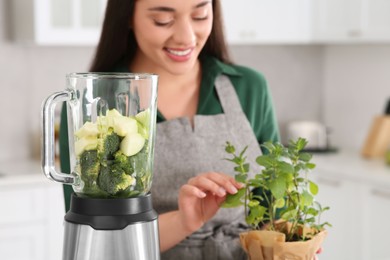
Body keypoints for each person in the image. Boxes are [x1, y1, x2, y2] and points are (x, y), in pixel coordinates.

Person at [60, 0, 320, 259]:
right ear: (127, 16)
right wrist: (184, 220)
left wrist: (290, 245)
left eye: (200, 15)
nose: (186, 37)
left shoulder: (249, 88)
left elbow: (272, 207)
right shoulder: (92, 104)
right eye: (163, 20)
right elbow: (98, 240)